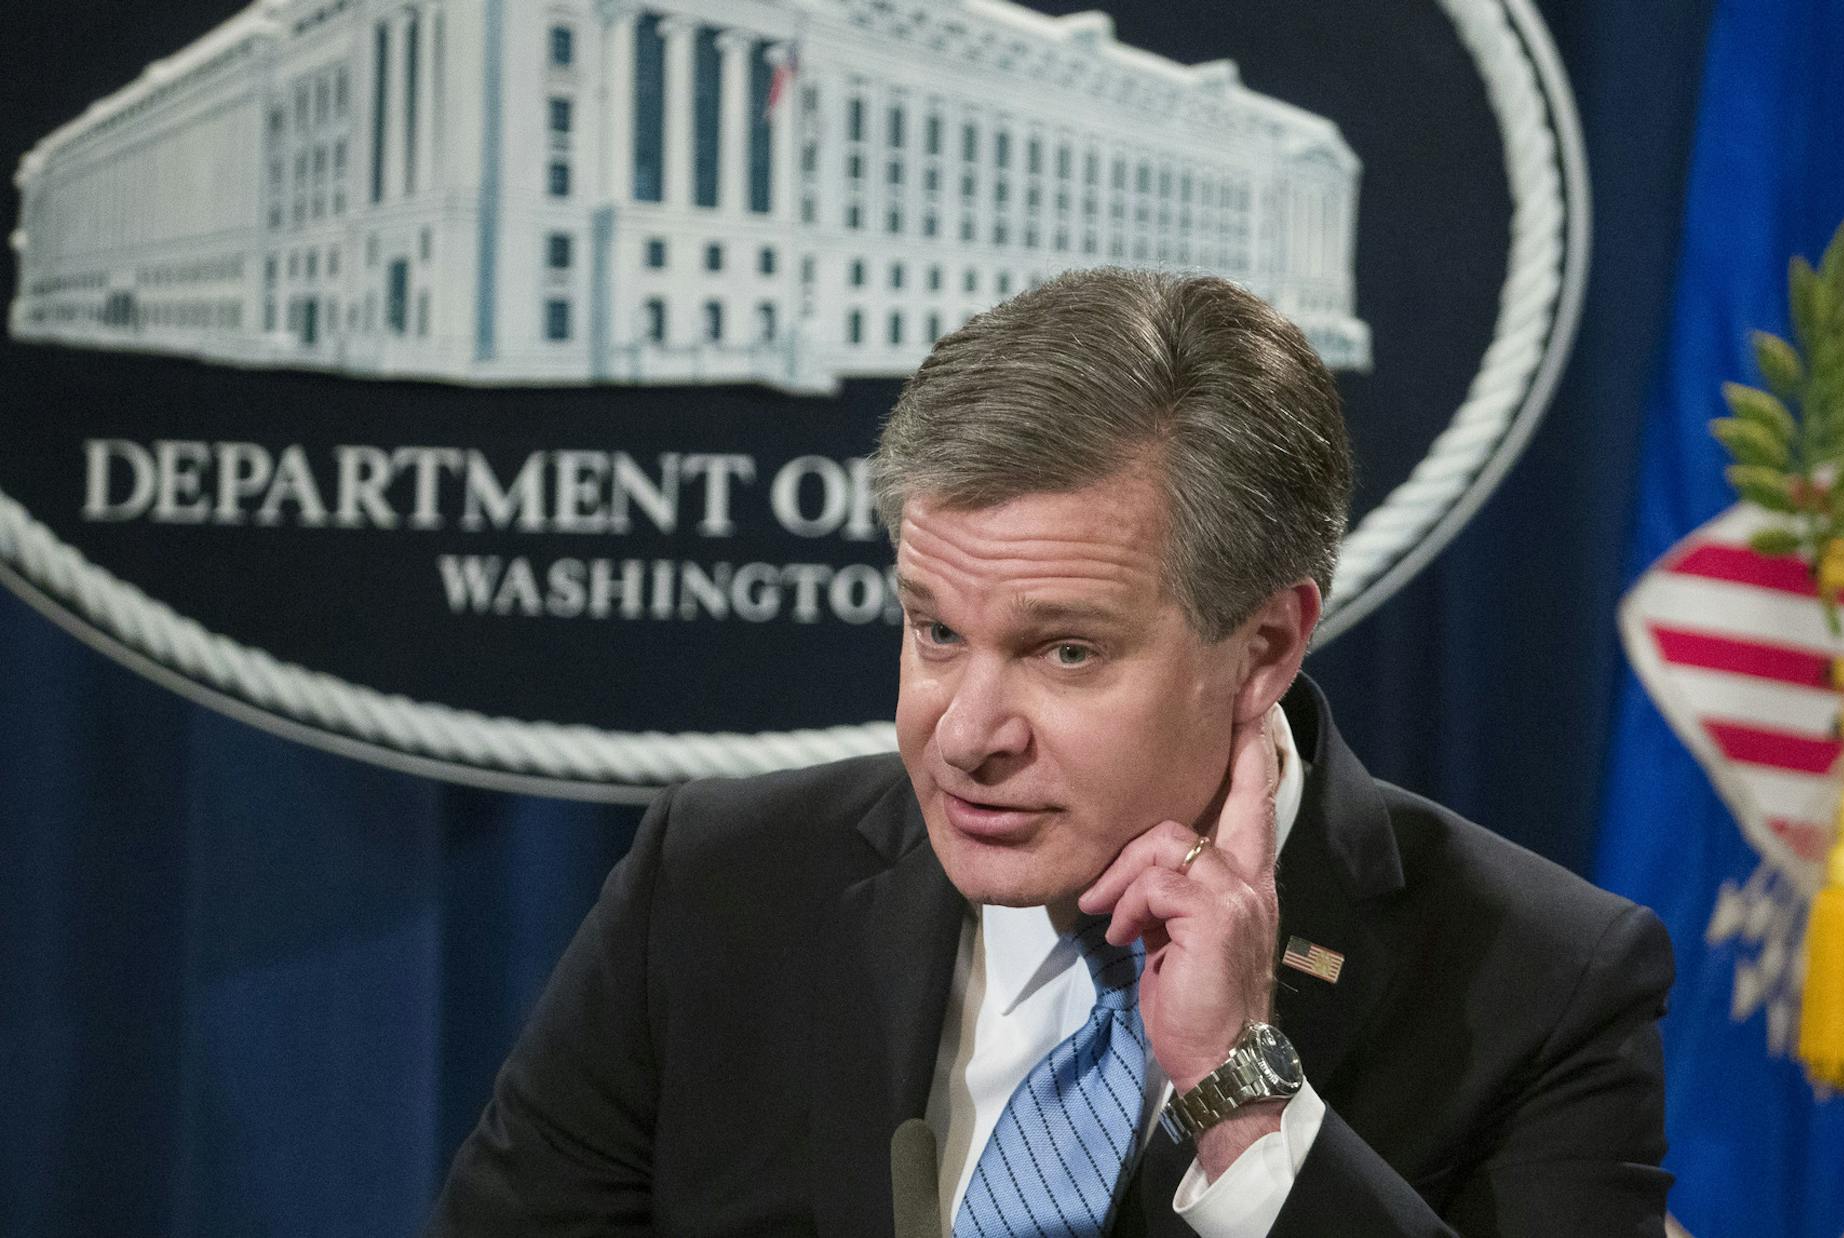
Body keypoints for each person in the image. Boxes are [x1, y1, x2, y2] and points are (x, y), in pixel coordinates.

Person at [427, 268, 1674, 1236]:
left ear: (1266, 643)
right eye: (935, 630)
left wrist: (1243, 1096)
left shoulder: (1542, 985)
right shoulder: (715, 885)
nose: (966, 735)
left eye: (1065, 651)